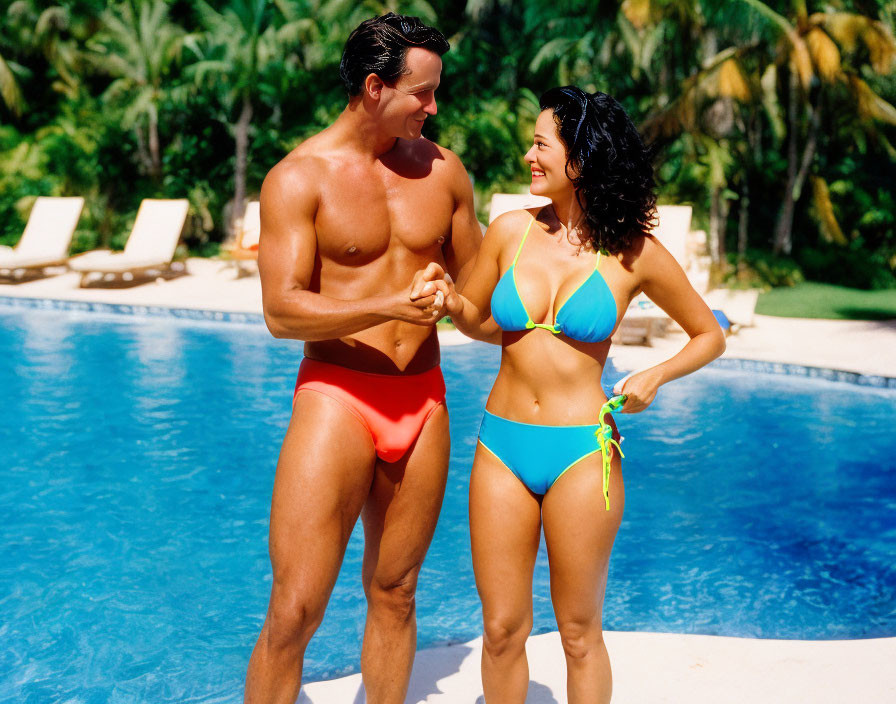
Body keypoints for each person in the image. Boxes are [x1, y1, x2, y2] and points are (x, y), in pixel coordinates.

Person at [412, 86, 726, 702]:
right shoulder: (510, 231)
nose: (529, 155)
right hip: (501, 446)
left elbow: (709, 334)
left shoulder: (633, 252)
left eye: (540, 143)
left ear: (580, 158)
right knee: (502, 630)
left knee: (579, 632)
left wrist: (655, 376)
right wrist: (451, 304)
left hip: (584, 452)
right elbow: (481, 320)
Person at [243, 14, 481, 704]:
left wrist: (459, 299)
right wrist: (386, 308)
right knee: (295, 609)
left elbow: (484, 294)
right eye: (423, 94)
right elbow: (281, 310)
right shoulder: (298, 178)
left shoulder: (442, 170)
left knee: (397, 592)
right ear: (376, 87)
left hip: (425, 398)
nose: (434, 108)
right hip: (339, 396)